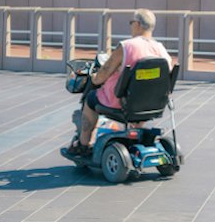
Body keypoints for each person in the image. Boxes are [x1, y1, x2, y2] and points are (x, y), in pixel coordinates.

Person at [67, 8, 173, 156]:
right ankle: (134, 132)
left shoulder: (126, 47)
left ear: (136, 24)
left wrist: (94, 77)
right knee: (140, 94)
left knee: (91, 98)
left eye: (131, 23)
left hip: (122, 102)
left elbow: (101, 77)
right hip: (151, 104)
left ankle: (83, 144)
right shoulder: (162, 51)